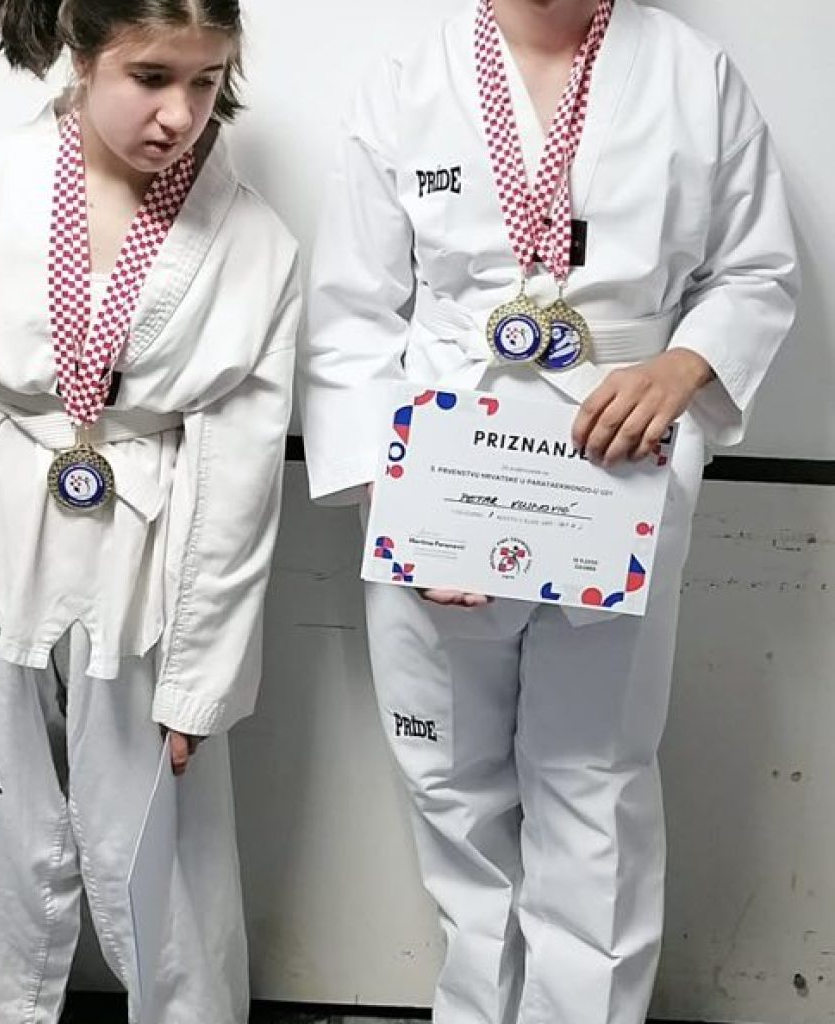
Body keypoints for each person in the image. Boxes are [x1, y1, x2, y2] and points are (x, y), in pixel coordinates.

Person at [300, 0, 797, 1022]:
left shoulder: (692, 74)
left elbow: (755, 272)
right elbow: (351, 312)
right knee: (451, 787)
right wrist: (405, 515)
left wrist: (682, 365)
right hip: (444, 475)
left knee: (595, 786)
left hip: (616, 470)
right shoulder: (407, 81)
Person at [0, 1, 300, 1021]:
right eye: (151, 77)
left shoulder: (254, 239)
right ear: (84, 57)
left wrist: (203, 674)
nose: (180, 113)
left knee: (165, 839)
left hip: (154, 552)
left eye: (206, 80)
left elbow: (242, 475)